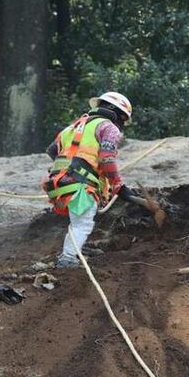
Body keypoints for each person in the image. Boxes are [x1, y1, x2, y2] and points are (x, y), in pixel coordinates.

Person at [43, 91, 142, 268]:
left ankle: (75, 250)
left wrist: (69, 167)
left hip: (59, 184)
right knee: (83, 224)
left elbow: (52, 150)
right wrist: (118, 185)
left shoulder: (73, 127)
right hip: (81, 185)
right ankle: (68, 259)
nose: (121, 125)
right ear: (116, 113)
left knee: (78, 222)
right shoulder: (109, 128)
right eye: (123, 119)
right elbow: (106, 159)